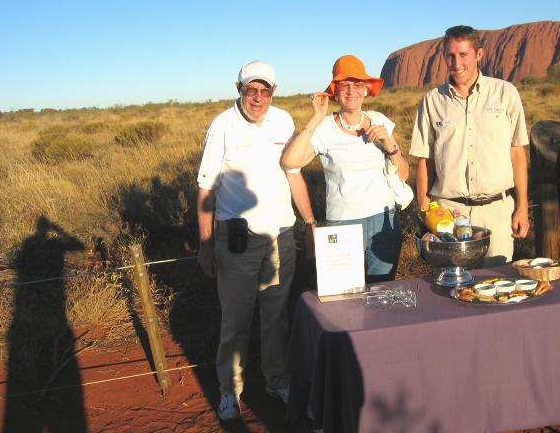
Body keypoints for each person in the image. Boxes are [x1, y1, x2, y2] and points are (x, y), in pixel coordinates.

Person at [196, 60, 316, 421]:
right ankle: (229, 390)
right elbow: (206, 188)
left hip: (280, 234)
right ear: (239, 88)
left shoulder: (284, 121)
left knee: (276, 315)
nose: (258, 97)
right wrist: (204, 245)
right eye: (251, 90)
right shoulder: (222, 126)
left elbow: (293, 173)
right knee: (236, 319)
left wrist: (309, 222)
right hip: (237, 240)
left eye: (265, 90)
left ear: (274, 92)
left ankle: (276, 379)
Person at [281, 55, 409, 282]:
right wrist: (316, 117)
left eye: (358, 84)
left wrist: (389, 144)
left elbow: (404, 174)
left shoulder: (379, 120)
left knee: (380, 292)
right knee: (343, 296)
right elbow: (290, 162)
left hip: (384, 221)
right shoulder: (325, 128)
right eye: (345, 85)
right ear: (335, 91)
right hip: (343, 222)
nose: (352, 91)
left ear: (366, 90)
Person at [409, 25, 530, 265]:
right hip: (449, 213)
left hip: (497, 210)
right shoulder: (433, 100)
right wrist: (424, 207)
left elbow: (517, 152)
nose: (456, 63)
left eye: (463, 55)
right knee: (450, 286)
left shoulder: (505, 93)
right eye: (451, 56)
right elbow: (425, 158)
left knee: (495, 286)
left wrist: (522, 207)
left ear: (479, 54)